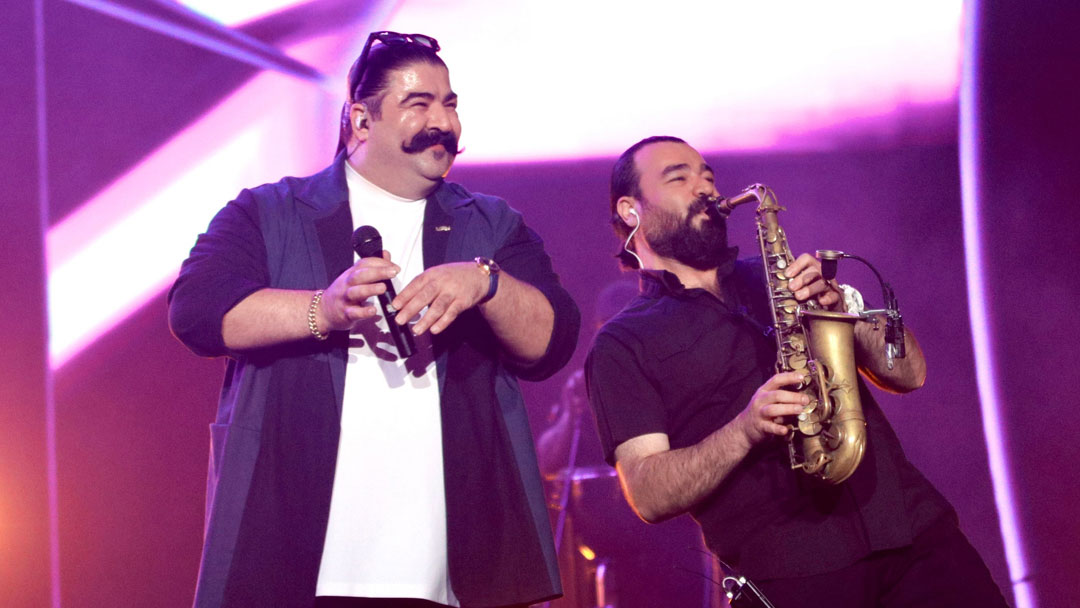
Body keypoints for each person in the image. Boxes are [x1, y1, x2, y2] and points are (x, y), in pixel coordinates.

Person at [168, 31, 580, 608]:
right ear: (361, 120)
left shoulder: (490, 224)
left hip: (453, 569)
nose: (444, 122)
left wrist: (487, 283)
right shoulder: (268, 211)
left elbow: (553, 342)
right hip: (294, 557)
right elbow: (196, 311)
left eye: (450, 104)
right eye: (419, 104)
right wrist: (325, 309)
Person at [584, 136, 1009, 607]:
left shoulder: (784, 277)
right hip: (794, 575)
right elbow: (647, 494)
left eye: (707, 175)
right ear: (630, 211)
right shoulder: (622, 343)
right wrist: (745, 430)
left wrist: (843, 309)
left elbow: (910, 372)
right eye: (678, 177)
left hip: (914, 534)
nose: (704, 188)